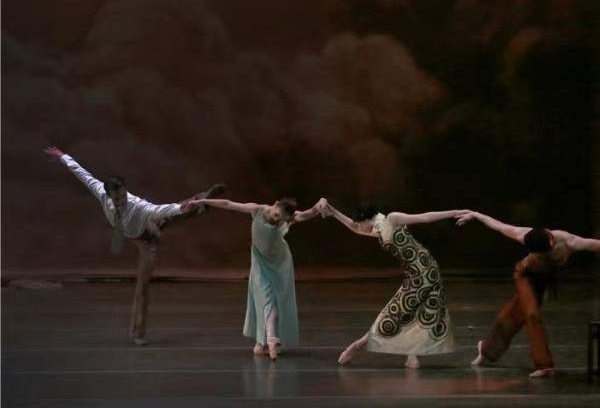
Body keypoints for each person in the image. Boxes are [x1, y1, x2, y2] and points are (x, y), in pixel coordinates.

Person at [44, 146, 226, 345]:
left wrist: (180, 209)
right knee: (143, 285)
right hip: (140, 235)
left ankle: (201, 200)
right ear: (108, 195)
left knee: (174, 214)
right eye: (117, 198)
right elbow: (82, 173)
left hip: (149, 238)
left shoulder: (137, 205)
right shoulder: (101, 192)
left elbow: (161, 209)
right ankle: (199, 202)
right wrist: (63, 157)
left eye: (123, 195)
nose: (122, 200)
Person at [456, 211, 600, 377]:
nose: (539, 257)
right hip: (524, 275)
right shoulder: (522, 234)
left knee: (511, 317)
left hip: (541, 280)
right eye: (536, 254)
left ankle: (486, 349)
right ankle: (544, 365)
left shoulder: (570, 242)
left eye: (542, 254)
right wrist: (475, 215)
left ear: (551, 244)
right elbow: (497, 225)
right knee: (532, 315)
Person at [319, 198, 468, 369]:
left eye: (360, 223)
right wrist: (333, 211)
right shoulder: (380, 228)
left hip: (425, 271)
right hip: (416, 273)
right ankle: (411, 355)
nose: (359, 227)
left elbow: (424, 217)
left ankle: (358, 345)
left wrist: (455, 212)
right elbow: (355, 228)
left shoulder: (392, 219)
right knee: (410, 311)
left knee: (394, 313)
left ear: (366, 219)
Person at [185, 196, 323, 360]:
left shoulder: (288, 218)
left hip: (279, 263)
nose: (276, 220)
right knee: (265, 298)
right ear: (275, 204)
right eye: (276, 215)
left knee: (273, 299)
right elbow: (229, 204)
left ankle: (269, 340)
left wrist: (319, 205)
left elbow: (307, 214)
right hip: (260, 263)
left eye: (281, 219)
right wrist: (202, 201)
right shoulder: (257, 210)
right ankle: (266, 341)